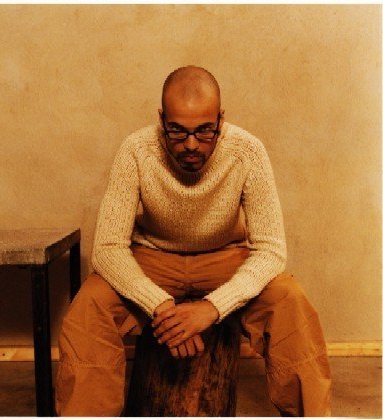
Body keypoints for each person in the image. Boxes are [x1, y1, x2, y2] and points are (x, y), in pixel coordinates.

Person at [55, 65, 332, 417]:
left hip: (224, 258)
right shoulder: (136, 149)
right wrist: (162, 308)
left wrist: (211, 308)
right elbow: (108, 249)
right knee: (88, 308)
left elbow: (271, 250)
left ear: (220, 120)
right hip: (153, 259)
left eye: (204, 131)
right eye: (177, 131)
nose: (190, 144)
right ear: (162, 120)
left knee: (290, 300)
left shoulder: (247, 151)